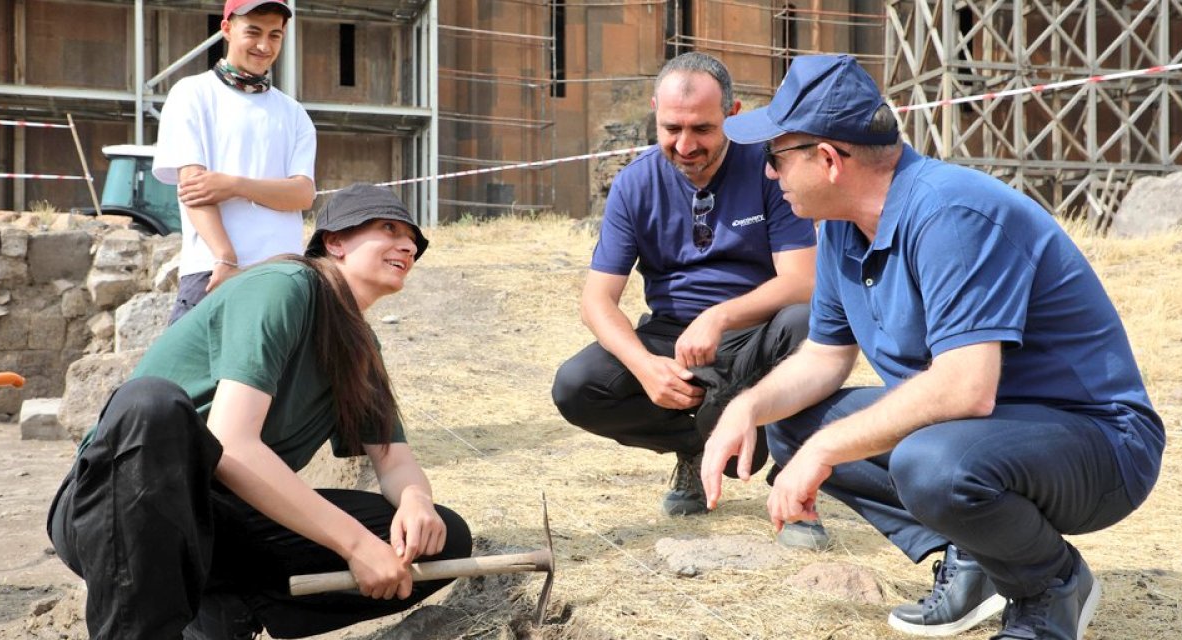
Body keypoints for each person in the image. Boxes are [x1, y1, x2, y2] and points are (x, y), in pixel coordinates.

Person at [702, 54, 1164, 639]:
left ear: (828, 159)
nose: (770, 175)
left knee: (927, 464)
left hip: (1100, 444)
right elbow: (822, 358)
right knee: (792, 423)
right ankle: (976, 560)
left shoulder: (950, 213)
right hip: (988, 436)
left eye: (775, 157)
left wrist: (825, 452)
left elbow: (965, 388)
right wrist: (748, 407)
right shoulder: (843, 228)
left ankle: (1050, 586)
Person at [46, 184, 472, 639]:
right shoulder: (285, 287)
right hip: (123, 505)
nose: (407, 245)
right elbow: (233, 445)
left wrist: (415, 502)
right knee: (152, 406)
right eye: (388, 229)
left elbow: (393, 459)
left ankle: (224, 609)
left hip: (219, 525)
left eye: (413, 241)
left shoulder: (360, 347)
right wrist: (355, 544)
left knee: (445, 537)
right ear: (335, 242)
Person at [551, 52, 818, 525]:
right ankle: (696, 450)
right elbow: (596, 300)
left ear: (732, 117)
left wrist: (719, 317)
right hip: (673, 338)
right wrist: (646, 367)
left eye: (702, 130)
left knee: (807, 324)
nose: (685, 145)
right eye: (671, 128)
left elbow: (802, 279)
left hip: (757, 333)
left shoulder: (770, 169)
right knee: (577, 385)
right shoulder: (634, 184)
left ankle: (797, 486)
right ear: (656, 110)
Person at [155, 0, 317, 325]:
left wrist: (232, 185)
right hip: (212, 271)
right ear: (227, 28)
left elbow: (302, 194)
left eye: (275, 35)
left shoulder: (293, 113)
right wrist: (226, 258)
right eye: (253, 32)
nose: (263, 45)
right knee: (179, 375)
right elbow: (195, 191)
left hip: (281, 276)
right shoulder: (192, 93)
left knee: (274, 376)